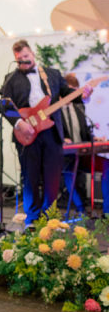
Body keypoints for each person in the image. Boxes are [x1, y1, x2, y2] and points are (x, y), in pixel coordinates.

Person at [0, 40, 92, 225]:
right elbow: (4, 103)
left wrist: (82, 95)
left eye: (26, 57)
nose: (23, 61)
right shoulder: (11, 78)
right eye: (19, 59)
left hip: (51, 132)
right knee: (30, 177)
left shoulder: (52, 74)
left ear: (32, 54)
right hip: (26, 133)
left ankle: (50, 218)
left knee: (52, 177)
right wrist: (19, 123)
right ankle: (32, 220)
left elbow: (67, 93)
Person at [60, 72, 91, 213]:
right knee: (69, 170)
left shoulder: (79, 107)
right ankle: (81, 209)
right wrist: (62, 139)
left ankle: (106, 212)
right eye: (71, 90)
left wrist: (93, 138)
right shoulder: (55, 110)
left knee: (106, 167)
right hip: (64, 154)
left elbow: (84, 130)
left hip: (82, 152)